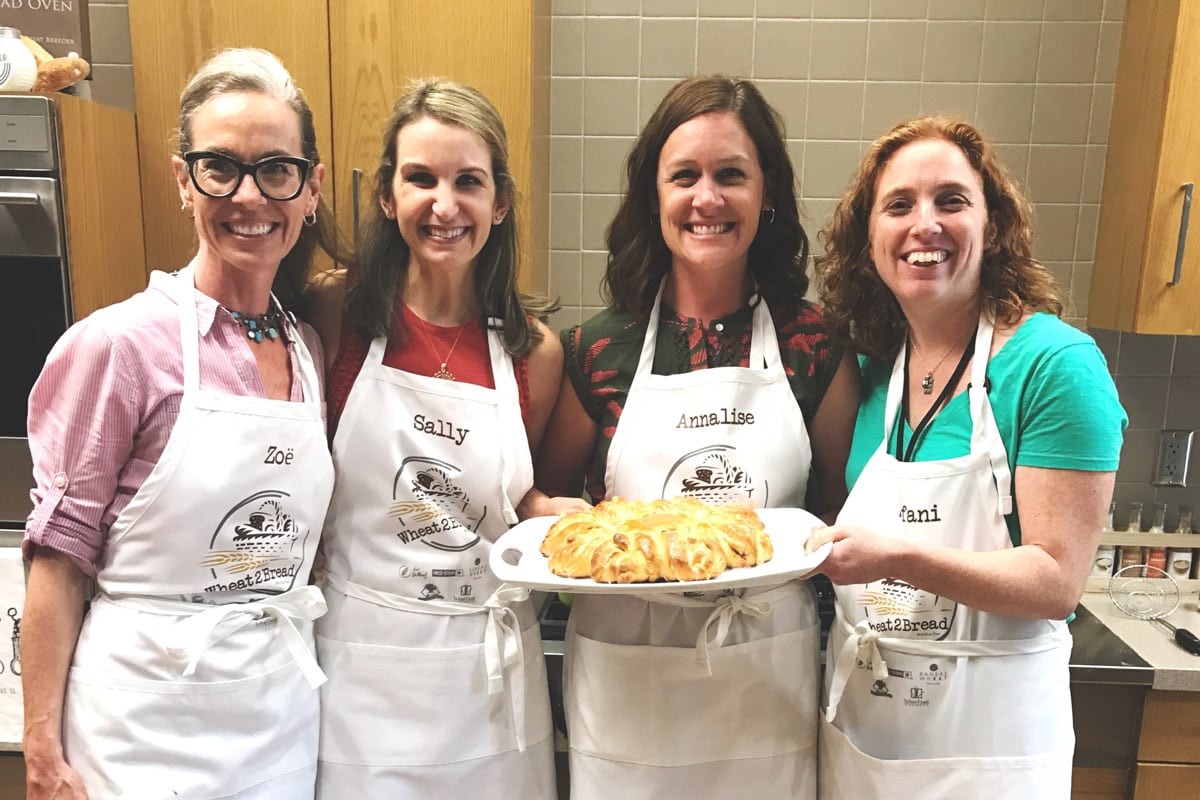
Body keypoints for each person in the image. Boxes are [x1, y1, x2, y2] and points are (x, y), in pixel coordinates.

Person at [21, 48, 344, 799]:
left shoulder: (307, 349)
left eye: (275, 169)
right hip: (142, 728)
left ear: (312, 189)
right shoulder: (119, 346)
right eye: (219, 168)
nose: (248, 196)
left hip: (278, 717)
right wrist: (41, 748)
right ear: (182, 180)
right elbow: (59, 563)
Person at [527, 75, 859, 799]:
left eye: (730, 175)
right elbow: (545, 504)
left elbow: (837, 514)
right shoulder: (597, 349)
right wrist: (550, 514)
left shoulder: (815, 346)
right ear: (655, 196)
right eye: (684, 176)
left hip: (764, 681)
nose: (706, 198)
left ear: (766, 194)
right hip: (625, 685)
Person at [809, 115, 1126, 799]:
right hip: (868, 747)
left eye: (951, 200)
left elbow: (1055, 581)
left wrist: (896, 560)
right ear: (869, 240)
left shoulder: (1053, 365)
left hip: (991, 755)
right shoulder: (875, 370)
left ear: (993, 226)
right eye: (899, 205)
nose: (925, 223)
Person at [302, 78, 561, 798]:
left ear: (500, 203)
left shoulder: (531, 350)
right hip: (364, 679)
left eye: (467, 182)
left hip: (490, 688)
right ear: (388, 195)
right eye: (421, 178)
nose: (444, 206)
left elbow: (512, 494)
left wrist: (545, 510)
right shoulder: (336, 313)